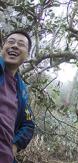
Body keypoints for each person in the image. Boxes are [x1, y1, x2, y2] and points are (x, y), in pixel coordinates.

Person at [0, 30, 35, 163]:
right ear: (3, 47)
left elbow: (29, 124)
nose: (14, 46)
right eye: (10, 42)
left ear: (27, 55)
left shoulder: (22, 91)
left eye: (21, 44)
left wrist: (14, 145)